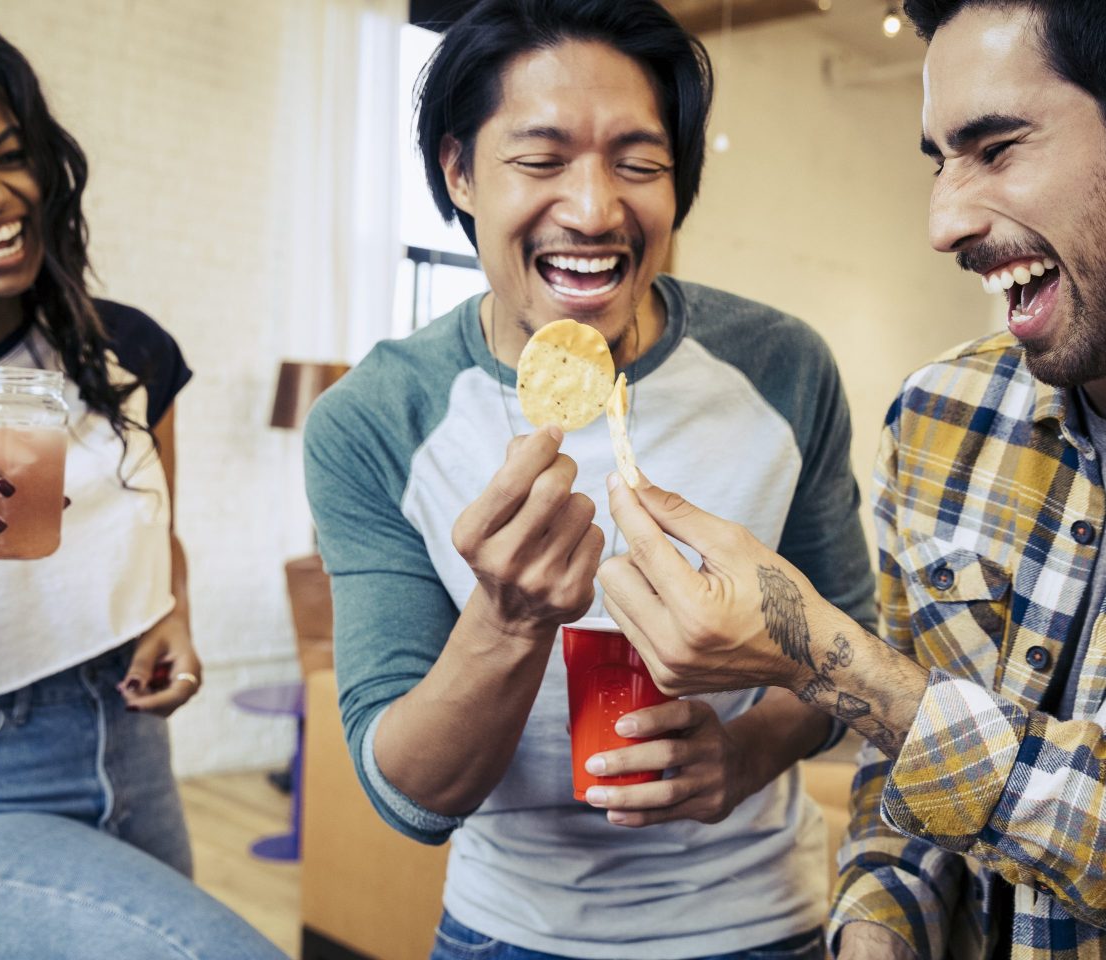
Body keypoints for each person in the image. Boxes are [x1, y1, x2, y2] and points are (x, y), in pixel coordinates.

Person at [596, 0, 1106, 957]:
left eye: (997, 147)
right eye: (939, 159)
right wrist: (873, 931)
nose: (944, 220)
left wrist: (823, 658)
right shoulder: (941, 414)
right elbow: (908, 784)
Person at [302, 0, 876, 956]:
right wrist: (507, 619)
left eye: (639, 163)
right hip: (508, 932)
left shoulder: (783, 368)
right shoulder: (373, 419)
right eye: (540, 159)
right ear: (460, 172)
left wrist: (739, 754)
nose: (595, 209)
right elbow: (406, 794)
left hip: (765, 924)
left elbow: (846, 646)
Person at [0, 10, 286, 959]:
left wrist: (169, 613)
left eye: (9, 153)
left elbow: (154, 523)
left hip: (129, 746)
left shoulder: (120, 347)